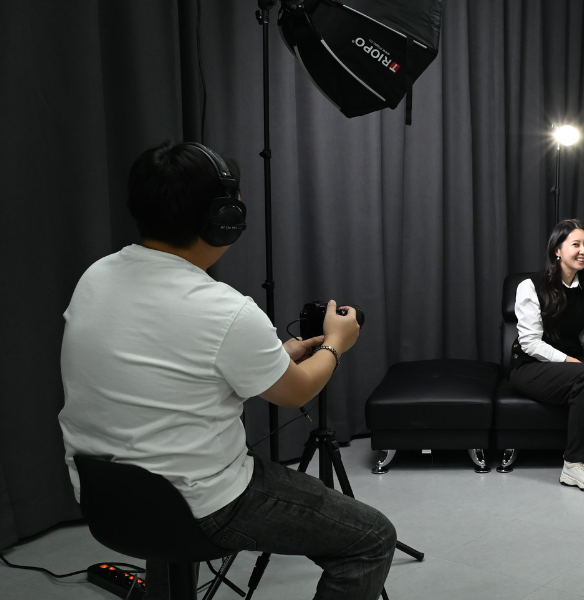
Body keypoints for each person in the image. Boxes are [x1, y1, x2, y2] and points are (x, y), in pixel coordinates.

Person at [58, 141, 396, 600]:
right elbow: (296, 393)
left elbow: (169, 372)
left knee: (163, 488)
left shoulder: (96, 276)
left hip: (106, 496)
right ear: (224, 219)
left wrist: (273, 356)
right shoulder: (226, 310)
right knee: (371, 538)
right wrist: (337, 342)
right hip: (201, 506)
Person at [510, 218, 584, 491]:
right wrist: (567, 360)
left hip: (570, 363)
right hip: (530, 366)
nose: (583, 251)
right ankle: (574, 464)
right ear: (557, 250)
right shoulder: (530, 286)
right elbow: (529, 343)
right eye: (575, 244)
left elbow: (583, 338)